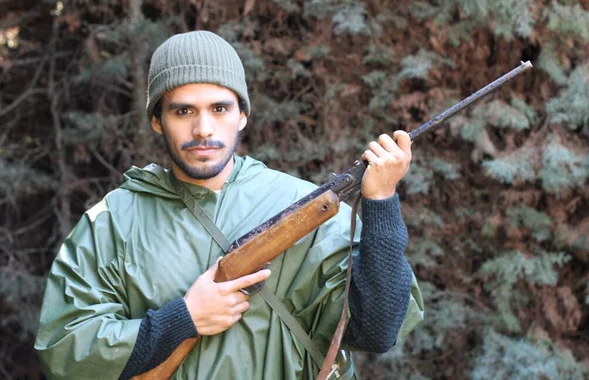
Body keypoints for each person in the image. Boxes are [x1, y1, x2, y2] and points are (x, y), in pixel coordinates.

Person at [35, 31, 424, 380]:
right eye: (183, 110)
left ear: (242, 116)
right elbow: (66, 352)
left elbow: (377, 332)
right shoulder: (112, 221)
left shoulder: (302, 207)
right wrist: (181, 320)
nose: (203, 128)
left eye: (219, 108)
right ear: (157, 121)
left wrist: (381, 202)